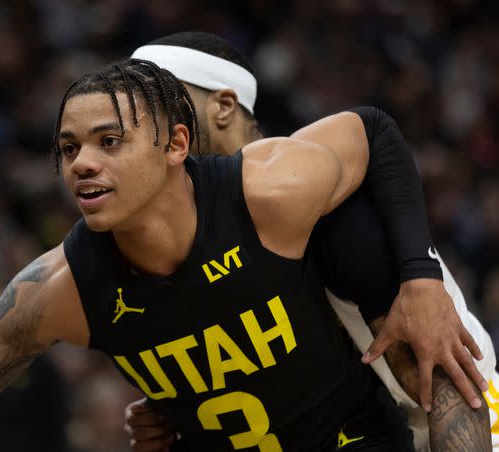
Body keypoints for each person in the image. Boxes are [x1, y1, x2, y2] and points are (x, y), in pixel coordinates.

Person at [0, 58, 488, 450]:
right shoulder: (61, 286)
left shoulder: (268, 194)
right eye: (70, 146)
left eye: (110, 143)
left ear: (178, 144)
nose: (82, 162)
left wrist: (421, 275)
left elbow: (374, 129)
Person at [123, 31, 498, 451]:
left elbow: (446, 384)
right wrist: (181, 408)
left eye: (160, 103)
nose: (146, 126)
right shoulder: (204, 235)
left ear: (224, 106)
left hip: (467, 415)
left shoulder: (313, 190)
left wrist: (422, 273)